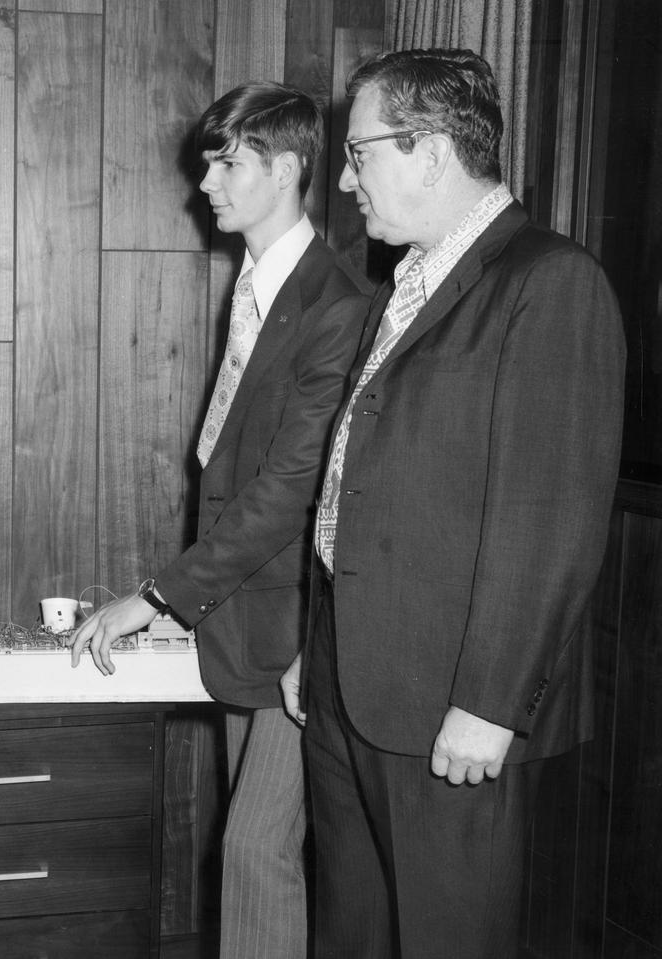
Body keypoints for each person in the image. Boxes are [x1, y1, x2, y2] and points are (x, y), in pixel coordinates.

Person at [279, 49, 626, 959]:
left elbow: (549, 520)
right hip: (352, 685)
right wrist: (321, 642)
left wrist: (491, 703)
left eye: (359, 154)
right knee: (350, 935)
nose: (345, 181)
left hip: (451, 710)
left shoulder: (549, 282)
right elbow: (364, 482)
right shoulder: (405, 281)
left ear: (430, 152)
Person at [68, 82, 370, 959]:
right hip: (243, 621)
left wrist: (155, 597)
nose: (206, 183)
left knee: (254, 850)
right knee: (259, 855)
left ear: (286, 169)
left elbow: (287, 492)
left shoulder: (337, 306)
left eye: (228, 163)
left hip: (299, 631)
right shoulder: (258, 286)